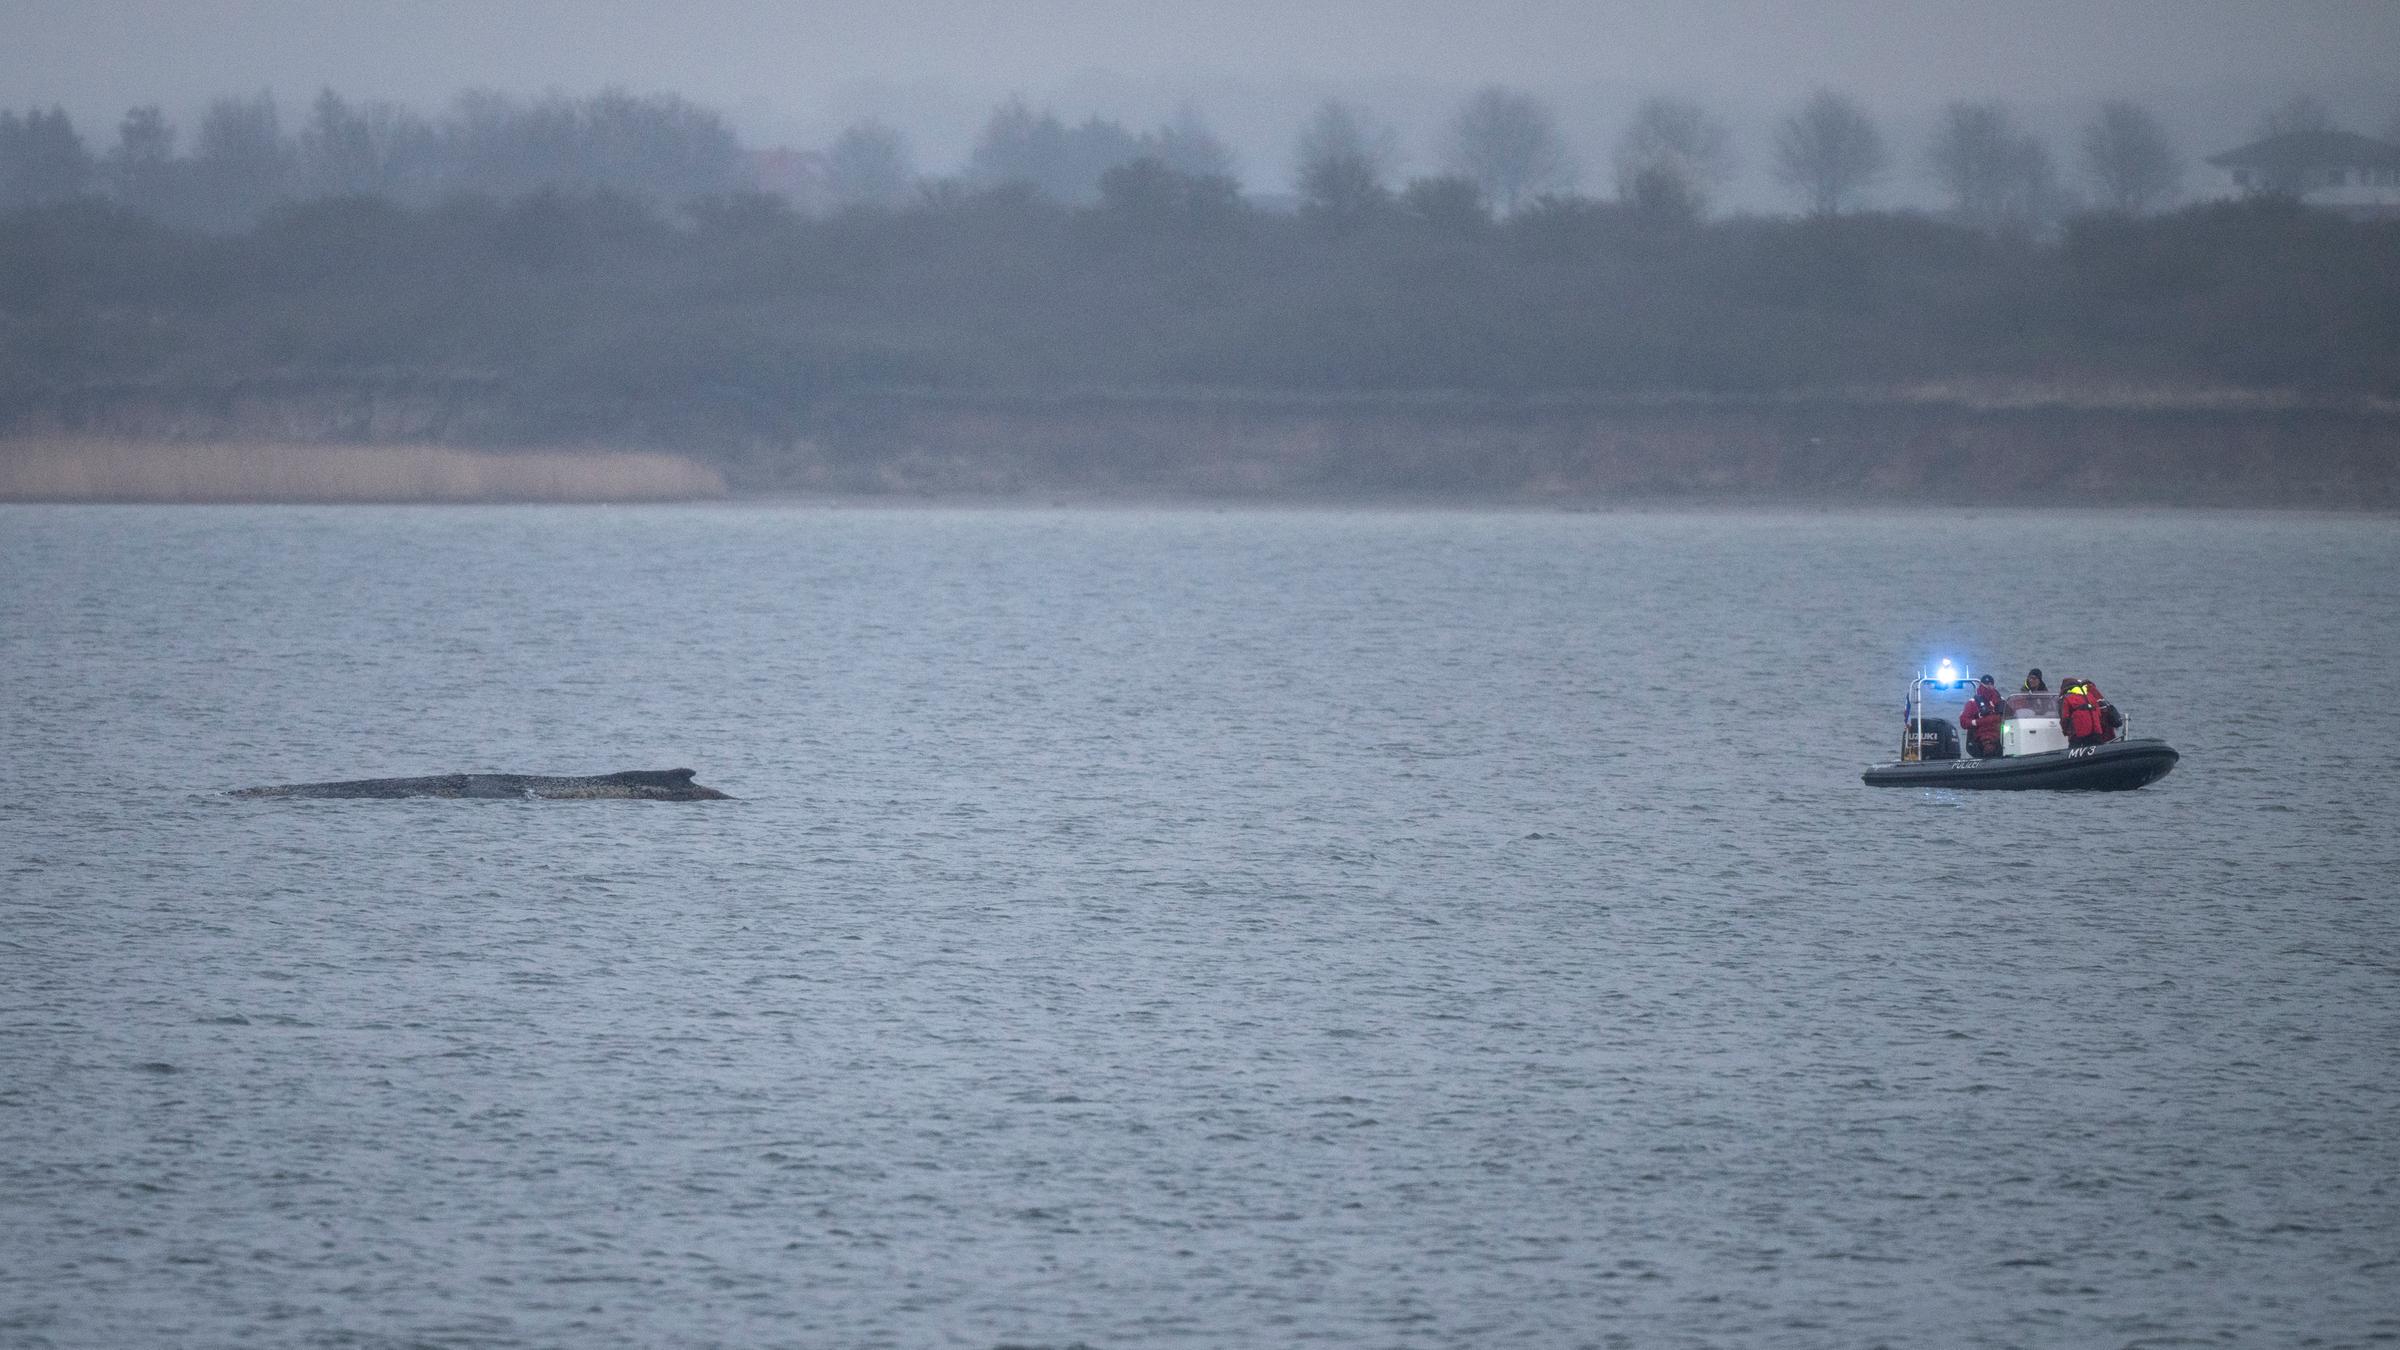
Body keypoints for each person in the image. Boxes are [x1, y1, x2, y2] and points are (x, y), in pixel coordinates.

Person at [1958, 674, 2008, 758]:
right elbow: (1963, 722)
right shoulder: (1973, 703)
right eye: (1986, 684)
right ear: (1981, 685)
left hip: (2001, 738)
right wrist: (1977, 722)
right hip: (1982, 739)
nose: (1988, 687)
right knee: (1988, 745)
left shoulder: (2001, 701)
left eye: (1990, 684)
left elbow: (2012, 716)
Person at [2061, 677, 2112, 749]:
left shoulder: (2068, 698)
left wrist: (2066, 731)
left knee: (2073, 749)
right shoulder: (2090, 696)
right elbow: (2099, 714)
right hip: (2096, 732)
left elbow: (2065, 717)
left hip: (2079, 734)